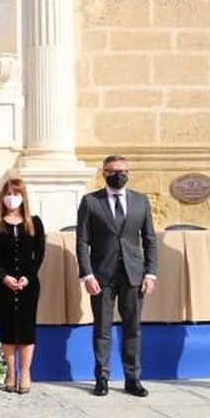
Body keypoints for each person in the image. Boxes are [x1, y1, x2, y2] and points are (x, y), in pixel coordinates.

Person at [76, 154, 158, 397]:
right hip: (102, 276)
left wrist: (151, 273)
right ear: (104, 173)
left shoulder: (140, 201)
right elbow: (82, 241)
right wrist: (87, 275)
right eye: (113, 171)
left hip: (134, 275)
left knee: (133, 328)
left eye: (123, 171)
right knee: (102, 329)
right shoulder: (91, 202)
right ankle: (102, 377)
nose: (119, 175)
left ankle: (132, 378)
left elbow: (150, 239)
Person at [0, 178, 45, 395]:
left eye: (16, 194)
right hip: (3, 282)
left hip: (28, 282)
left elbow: (39, 253)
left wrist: (28, 276)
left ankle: (25, 372)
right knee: (7, 325)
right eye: (8, 194)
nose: (12, 198)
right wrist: (4, 276)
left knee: (26, 327)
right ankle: (11, 372)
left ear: (23, 197)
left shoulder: (34, 222)